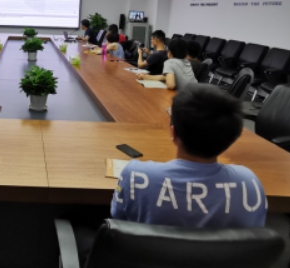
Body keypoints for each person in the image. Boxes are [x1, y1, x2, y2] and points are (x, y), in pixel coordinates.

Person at [112, 84, 267, 227]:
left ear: (173, 133)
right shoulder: (250, 183)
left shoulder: (134, 175)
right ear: (231, 138)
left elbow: (118, 221)